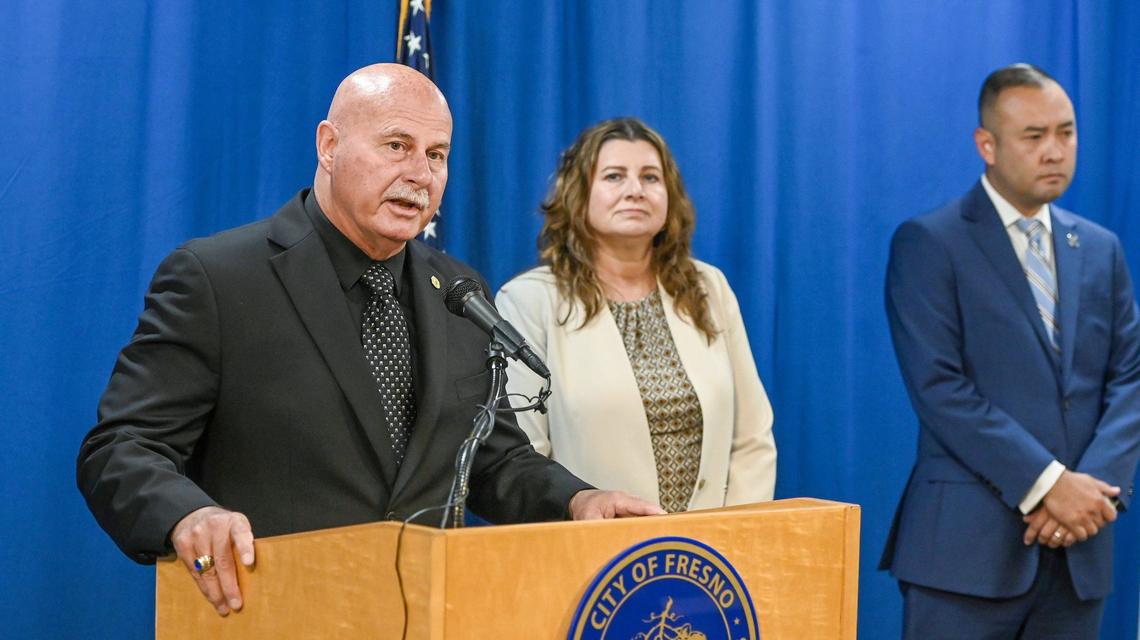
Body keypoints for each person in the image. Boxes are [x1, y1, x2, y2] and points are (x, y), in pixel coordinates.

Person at [76, 64, 661, 617]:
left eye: (436, 155)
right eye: (397, 146)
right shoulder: (219, 279)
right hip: (274, 611)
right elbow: (122, 448)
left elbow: (493, 459)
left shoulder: (458, 292)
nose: (420, 174)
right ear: (329, 146)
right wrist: (188, 515)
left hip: (427, 614)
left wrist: (576, 500)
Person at [881, 63, 1140, 639]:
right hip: (964, 559)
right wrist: (1049, 485)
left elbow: (1131, 378)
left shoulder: (1101, 249)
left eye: (1066, 133)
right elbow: (940, 389)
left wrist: (1092, 493)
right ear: (987, 145)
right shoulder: (930, 243)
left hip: (1079, 554)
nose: (1054, 151)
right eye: (1034, 136)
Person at [495, 117, 777, 514]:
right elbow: (525, 456)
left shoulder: (708, 287)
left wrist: (734, 531)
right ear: (579, 194)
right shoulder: (528, 302)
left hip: (711, 545)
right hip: (593, 542)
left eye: (650, 177)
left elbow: (752, 438)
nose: (635, 191)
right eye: (614, 176)